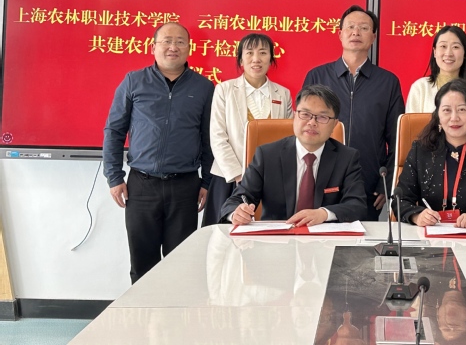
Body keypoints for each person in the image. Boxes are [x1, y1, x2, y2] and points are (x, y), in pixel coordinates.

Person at [103, 22, 214, 283]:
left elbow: (209, 139)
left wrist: (207, 182)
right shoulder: (134, 81)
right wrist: (114, 177)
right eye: (167, 41)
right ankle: (142, 311)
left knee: (181, 265)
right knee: (142, 264)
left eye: (180, 42)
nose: (173, 47)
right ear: (153, 47)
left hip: (185, 187)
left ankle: (176, 311)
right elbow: (114, 130)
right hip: (141, 186)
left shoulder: (204, 87)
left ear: (189, 48)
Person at [303, 5, 404, 221]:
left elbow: (397, 139)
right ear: (340, 34)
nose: (356, 32)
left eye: (364, 28)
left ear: (373, 37)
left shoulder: (388, 82)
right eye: (350, 27)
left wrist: (385, 182)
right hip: (320, 177)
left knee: (363, 240)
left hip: (368, 182)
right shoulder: (317, 77)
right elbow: (302, 130)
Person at [221, 84, 368, 226]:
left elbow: (357, 205)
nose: (312, 122)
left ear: (335, 124)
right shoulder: (267, 155)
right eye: (305, 114)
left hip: (325, 238)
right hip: (277, 238)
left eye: (322, 117)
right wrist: (236, 213)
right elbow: (237, 199)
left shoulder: (347, 158)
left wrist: (323, 214)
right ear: (295, 116)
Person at [202, 33, 293, 227]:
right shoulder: (224, 90)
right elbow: (217, 137)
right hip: (229, 179)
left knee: (269, 235)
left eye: (263, 53)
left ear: (271, 59)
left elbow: (288, 139)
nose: (256, 59)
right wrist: (240, 176)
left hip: (271, 181)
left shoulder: (283, 94)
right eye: (249, 53)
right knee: (225, 236)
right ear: (241, 59)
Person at [398, 79, 466, 229]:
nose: (454, 118)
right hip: (429, 236)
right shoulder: (421, 151)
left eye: (462, 110)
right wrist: (417, 216)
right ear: (438, 116)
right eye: (447, 110)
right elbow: (400, 200)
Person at [406, 25, 466, 117]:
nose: (448, 53)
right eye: (443, 46)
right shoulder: (420, 88)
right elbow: (411, 125)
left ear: (465, 53)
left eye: (455, 47)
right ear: (435, 52)